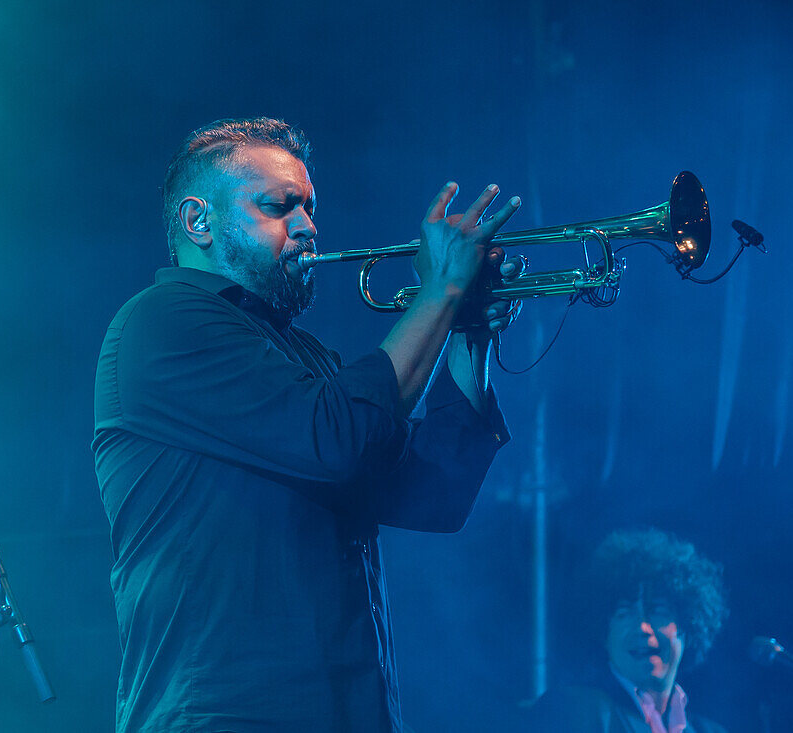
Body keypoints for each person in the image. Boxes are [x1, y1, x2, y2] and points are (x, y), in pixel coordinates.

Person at [93, 117, 525, 732]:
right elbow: (339, 441)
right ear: (199, 222)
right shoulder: (162, 323)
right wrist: (443, 289)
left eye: (310, 207)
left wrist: (468, 331)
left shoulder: (308, 356)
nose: (307, 226)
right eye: (278, 206)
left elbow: (433, 497)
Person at [524, 528, 730, 733]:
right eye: (624, 613)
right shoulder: (573, 711)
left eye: (657, 611)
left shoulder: (711, 730)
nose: (642, 627)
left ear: (688, 625)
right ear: (605, 633)